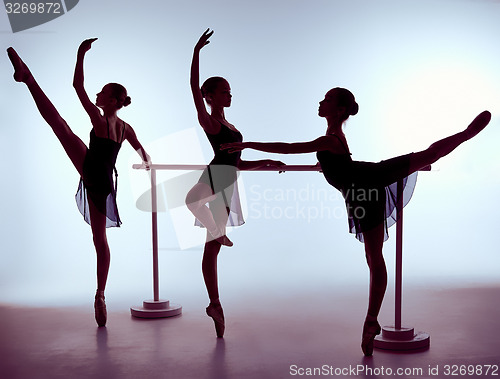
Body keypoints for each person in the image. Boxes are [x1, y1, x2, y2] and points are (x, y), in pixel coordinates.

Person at [221, 87, 491, 355]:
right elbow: (336, 164)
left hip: (366, 186)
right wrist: (324, 166)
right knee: (374, 256)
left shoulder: (329, 140)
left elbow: (291, 148)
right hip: (361, 188)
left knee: (377, 253)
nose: (320, 101)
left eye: (326, 99)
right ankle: (371, 322)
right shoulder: (332, 137)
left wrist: (247, 144)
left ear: (339, 110)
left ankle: (467, 133)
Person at [7, 39, 151, 327]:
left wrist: (80, 55)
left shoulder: (100, 121)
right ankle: (100, 294)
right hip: (101, 178)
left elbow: (77, 87)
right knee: (100, 242)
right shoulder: (125, 128)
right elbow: (141, 150)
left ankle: (29, 79)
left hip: (93, 175)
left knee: (59, 125)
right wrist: (147, 163)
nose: (97, 94)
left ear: (112, 100)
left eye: (103, 92)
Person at [185, 29, 284, 338]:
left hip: (227, 179)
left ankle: (215, 304)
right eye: (224, 91)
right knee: (195, 209)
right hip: (216, 176)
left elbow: (238, 164)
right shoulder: (211, 121)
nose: (230, 94)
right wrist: (197, 52)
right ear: (211, 96)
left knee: (211, 249)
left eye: (229, 90)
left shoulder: (230, 125)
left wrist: (268, 163)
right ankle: (214, 299)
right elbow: (192, 87)